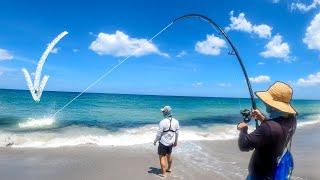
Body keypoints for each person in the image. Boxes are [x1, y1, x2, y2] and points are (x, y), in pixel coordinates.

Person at [237, 81, 297, 180]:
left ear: (273, 106)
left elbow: (244, 145)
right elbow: (277, 132)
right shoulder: (292, 119)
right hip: (275, 171)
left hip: (259, 176)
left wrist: (243, 128)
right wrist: (262, 118)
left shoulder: (268, 128)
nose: (265, 102)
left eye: (267, 101)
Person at [154, 106, 180, 177]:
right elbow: (177, 133)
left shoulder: (162, 122)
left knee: (162, 157)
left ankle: (164, 174)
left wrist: (155, 141)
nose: (162, 113)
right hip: (171, 143)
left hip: (163, 143)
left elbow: (159, 134)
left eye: (163, 111)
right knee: (169, 155)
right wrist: (176, 142)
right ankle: (169, 168)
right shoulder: (176, 121)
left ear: (165, 112)